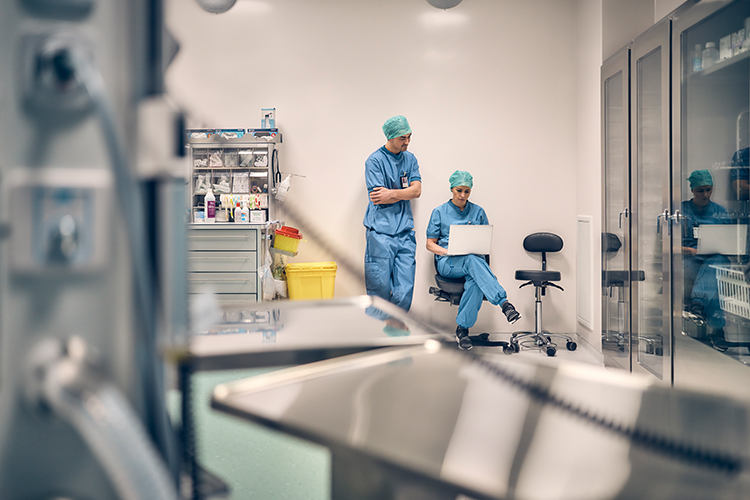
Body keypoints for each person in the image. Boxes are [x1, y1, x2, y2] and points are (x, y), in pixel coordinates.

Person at [426, 170, 520, 350]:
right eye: (459, 190)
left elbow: (484, 242)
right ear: (452, 189)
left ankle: (462, 330)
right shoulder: (439, 212)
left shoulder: (478, 212)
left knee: (475, 281)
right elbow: (430, 244)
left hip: (473, 264)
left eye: (466, 191)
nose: (462, 195)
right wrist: (449, 251)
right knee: (470, 260)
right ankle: (504, 303)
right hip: (449, 263)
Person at [363, 115, 422, 313]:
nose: (407, 142)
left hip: (405, 232)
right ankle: (378, 340)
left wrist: (392, 193)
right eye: (402, 138)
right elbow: (379, 197)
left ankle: (397, 337)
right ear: (390, 137)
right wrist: (403, 194)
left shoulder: (410, 159)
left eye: (409, 136)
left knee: (405, 291)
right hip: (380, 232)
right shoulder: (374, 161)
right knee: (379, 292)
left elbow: (417, 191)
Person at [682, 169, 731, 351]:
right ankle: (718, 331)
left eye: (709, 190)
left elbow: (732, 243)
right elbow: (667, 246)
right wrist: (690, 250)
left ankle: (697, 305)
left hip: (716, 258)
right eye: (700, 190)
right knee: (714, 278)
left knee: (715, 262)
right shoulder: (681, 211)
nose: (706, 194)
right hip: (690, 260)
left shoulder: (720, 212)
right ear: (692, 190)